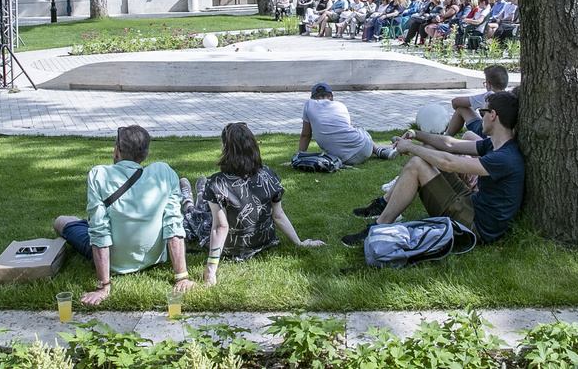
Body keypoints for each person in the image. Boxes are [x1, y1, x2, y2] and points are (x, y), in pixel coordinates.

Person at [343, 90, 524, 246]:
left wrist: (411, 148)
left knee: (417, 163)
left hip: (476, 226)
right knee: (428, 151)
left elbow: (449, 163)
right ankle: (384, 204)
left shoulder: (504, 158)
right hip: (473, 204)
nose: (480, 116)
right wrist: (416, 135)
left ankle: (378, 228)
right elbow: (450, 145)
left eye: (482, 112)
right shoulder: (496, 146)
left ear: (492, 115)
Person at [54, 125, 194, 303]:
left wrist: (103, 286)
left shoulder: (99, 175)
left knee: (61, 221)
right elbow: (173, 224)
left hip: (115, 262)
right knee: (90, 224)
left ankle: (82, 224)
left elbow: (99, 232)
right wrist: (182, 277)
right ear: (146, 154)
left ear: (117, 150)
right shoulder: (164, 173)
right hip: (153, 258)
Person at [181, 123, 324, 285]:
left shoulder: (217, 182)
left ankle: (190, 203)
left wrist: (210, 271)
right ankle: (201, 196)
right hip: (263, 242)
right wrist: (299, 243)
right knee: (211, 210)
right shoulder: (268, 175)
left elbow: (220, 227)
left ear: (226, 148)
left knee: (196, 218)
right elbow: (278, 215)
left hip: (230, 247)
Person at [300, 83, 397, 164]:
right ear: (331, 97)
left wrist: (299, 156)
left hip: (341, 158)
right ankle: (384, 149)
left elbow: (305, 135)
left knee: (355, 137)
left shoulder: (309, 104)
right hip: (365, 149)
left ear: (312, 97)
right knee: (360, 134)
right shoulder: (340, 105)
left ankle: (386, 148)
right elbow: (346, 131)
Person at [445, 64, 510, 138]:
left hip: (487, 134)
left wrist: (456, 107)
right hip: (503, 135)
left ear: (489, 85)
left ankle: (446, 136)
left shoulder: (488, 96)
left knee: (461, 108)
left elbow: (456, 101)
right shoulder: (510, 96)